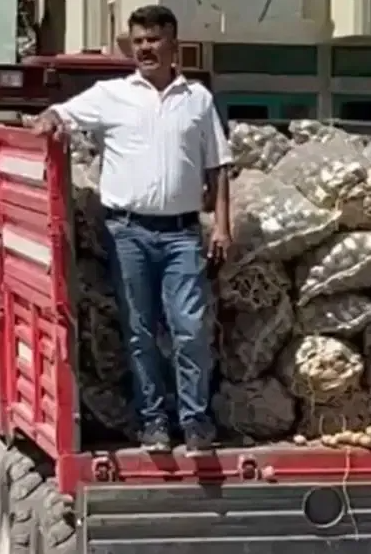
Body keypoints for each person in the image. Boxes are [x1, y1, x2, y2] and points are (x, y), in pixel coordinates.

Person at [33, 4, 231, 453]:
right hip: (128, 235)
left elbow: (218, 167)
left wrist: (220, 225)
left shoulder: (196, 99)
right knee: (140, 331)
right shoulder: (111, 95)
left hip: (182, 234)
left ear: (172, 44)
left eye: (153, 40)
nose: (145, 48)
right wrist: (49, 121)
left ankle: (196, 421)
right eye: (138, 41)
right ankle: (153, 423)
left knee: (190, 328)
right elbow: (61, 115)